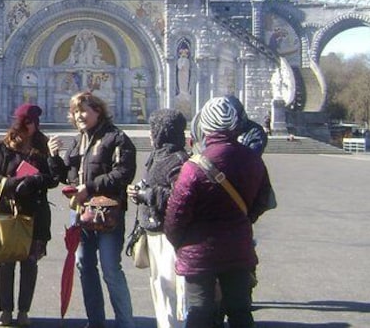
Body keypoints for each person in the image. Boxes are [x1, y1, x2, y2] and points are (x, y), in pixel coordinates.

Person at [164, 96, 273, 328]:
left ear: (204, 125)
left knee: (200, 311)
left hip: (199, 252)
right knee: (240, 311)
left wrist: (182, 242)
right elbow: (263, 200)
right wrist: (242, 221)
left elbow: (176, 214)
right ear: (235, 124)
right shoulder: (253, 160)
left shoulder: (194, 167)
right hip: (238, 247)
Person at [48, 91, 137, 328]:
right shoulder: (80, 141)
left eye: (84, 110)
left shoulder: (116, 138)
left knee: (110, 269)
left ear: (98, 111)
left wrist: (89, 187)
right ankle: (95, 321)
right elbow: (66, 175)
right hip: (81, 214)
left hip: (108, 215)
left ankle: (125, 322)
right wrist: (54, 157)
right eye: (76, 111)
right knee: (85, 267)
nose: (79, 115)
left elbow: (123, 173)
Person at [0, 104, 57, 327]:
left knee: (30, 264)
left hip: (36, 214)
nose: (27, 127)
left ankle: (24, 311)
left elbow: (53, 178)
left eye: (31, 123)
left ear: (36, 124)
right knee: (6, 264)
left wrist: (35, 180)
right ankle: (5, 311)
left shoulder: (44, 147)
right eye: (23, 122)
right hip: (9, 211)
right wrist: (17, 183)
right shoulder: (4, 147)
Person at [127, 109, 189, 328]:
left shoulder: (178, 159)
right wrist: (141, 193)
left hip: (169, 235)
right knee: (160, 287)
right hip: (154, 230)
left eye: (153, 129)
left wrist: (148, 195)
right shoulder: (158, 155)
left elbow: (180, 197)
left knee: (172, 288)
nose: (150, 134)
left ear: (162, 131)